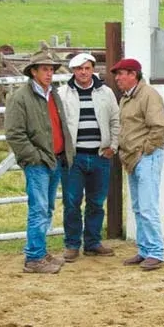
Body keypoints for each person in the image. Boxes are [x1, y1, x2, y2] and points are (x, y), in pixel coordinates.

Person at [5, 49, 74, 274]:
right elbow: (15, 133)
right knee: (39, 209)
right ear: (33, 72)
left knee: (46, 208)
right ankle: (34, 257)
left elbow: (58, 124)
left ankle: (39, 252)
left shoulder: (51, 94)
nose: (49, 73)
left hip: (53, 159)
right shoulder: (20, 98)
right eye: (44, 69)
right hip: (39, 162)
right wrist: (33, 157)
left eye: (51, 69)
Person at [59, 53, 121, 262]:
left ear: (93, 69)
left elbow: (115, 120)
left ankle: (92, 242)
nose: (83, 72)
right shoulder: (63, 94)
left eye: (87, 68)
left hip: (99, 155)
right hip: (74, 157)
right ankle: (72, 244)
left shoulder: (106, 93)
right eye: (79, 69)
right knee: (72, 202)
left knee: (96, 202)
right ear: (73, 71)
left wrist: (113, 146)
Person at [110, 58, 164, 272]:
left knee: (147, 206)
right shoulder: (129, 97)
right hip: (135, 158)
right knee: (139, 206)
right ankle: (145, 249)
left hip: (144, 157)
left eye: (121, 74)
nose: (117, 78)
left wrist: (146, 149)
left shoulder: (148, 95)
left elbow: (159, 127)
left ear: (133, 74)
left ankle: (155, 251)